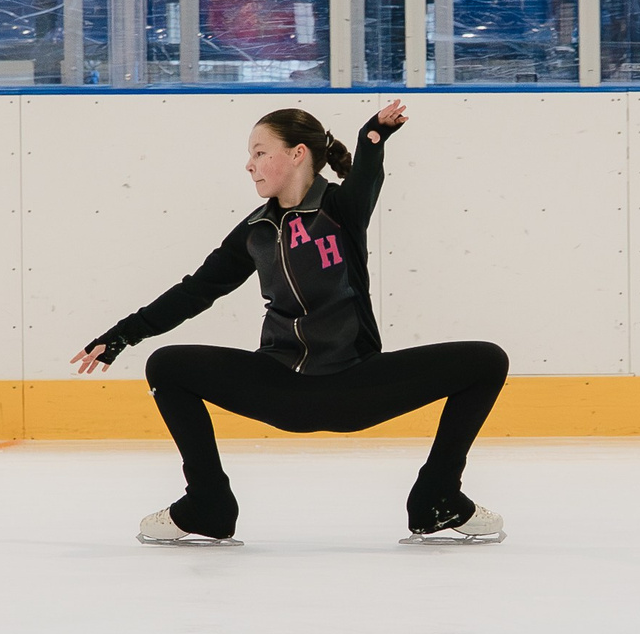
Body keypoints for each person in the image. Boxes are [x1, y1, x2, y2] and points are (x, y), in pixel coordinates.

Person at [72, 102, 510, 546]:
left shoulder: (341, 208)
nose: (249, 165)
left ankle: (437, 497)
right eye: (250, 155)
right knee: (167, 365)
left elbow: (366, 180)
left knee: (486, 361)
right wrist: (123, 335)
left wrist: (373, 137)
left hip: (354, 385)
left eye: (260, 152)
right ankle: (208, 504)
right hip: (280, 386)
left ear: (298, 153)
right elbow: (196, 290)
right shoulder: (254, 230)